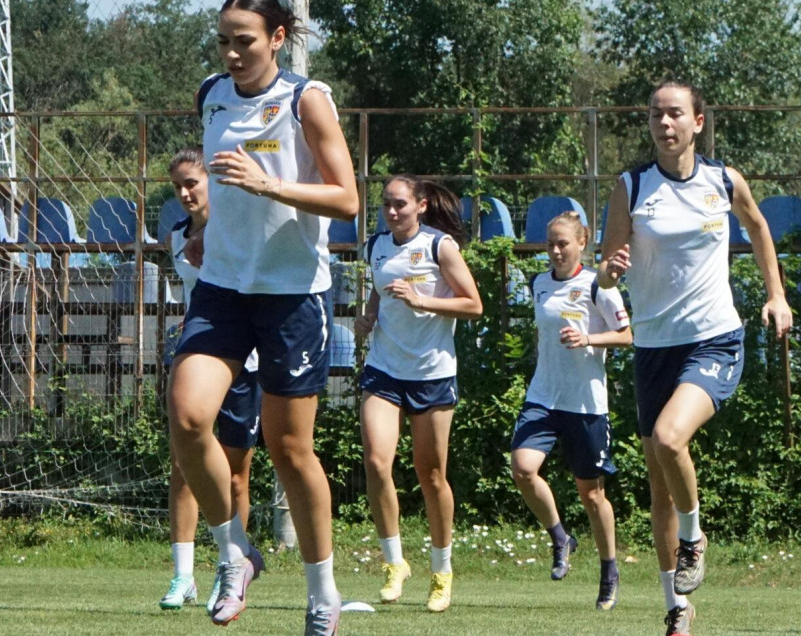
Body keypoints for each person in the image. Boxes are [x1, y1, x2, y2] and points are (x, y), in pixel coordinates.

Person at [167, 1, 358, 632]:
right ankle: (234, 554)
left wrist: (267, 184)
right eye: (222, 40)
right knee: (189, 415)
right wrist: (210, 229)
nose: (230, 53)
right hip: (223, 286)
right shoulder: (211, 95)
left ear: (277, 38)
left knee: (289, 448)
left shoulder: (308, 100)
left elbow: (347, 199)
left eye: (243, 41)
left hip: (293, 294)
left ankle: (322, 594)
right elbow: (223, 186)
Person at [598, 81, 792, 636]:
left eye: (675, 114)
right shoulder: (631, 186)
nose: (664, 123)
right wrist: (610, 270)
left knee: (668, 437)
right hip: (653, 348)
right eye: (656, 114)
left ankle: (694, 538)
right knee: (659, 485)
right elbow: (608, 269)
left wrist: (775, 295)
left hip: (713, 338)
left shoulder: (723, 181)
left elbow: (757, 227)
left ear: (698, 122)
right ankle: (678, 612)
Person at [354, 176, 482, 613]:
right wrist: (368, 318)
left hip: (431, 374)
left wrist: (424, 301)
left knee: (431, 477)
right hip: (384, 369)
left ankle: (441, 572)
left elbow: (473, 304)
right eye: (387, 205)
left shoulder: (440, 247)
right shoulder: (376, 246)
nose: (392, 212)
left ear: (421, 205)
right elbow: (378, 288)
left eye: (401, 205)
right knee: (375, 461)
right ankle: (394, 563)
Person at [160, 147, 265, 611]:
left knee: (237, 476)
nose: (185, 193)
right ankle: (183, 576)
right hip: (202, 354)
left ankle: (234, 564)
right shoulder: (176, 237)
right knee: (182, 466)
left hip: (246, 361)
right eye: (178, 186)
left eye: (192, 184)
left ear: (211, 184)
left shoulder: (236, 229)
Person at [510, 212, 630, 610]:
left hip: (585, 404)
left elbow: (628, 335)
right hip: (543, 397)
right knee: (524, 468)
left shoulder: (599, 285)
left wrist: (589, 338)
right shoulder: (539, 283)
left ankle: (609, 570)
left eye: (563, 243)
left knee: (592, 495)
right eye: (550, 244)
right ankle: (561, 537)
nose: (556, 251)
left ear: (582, 243)